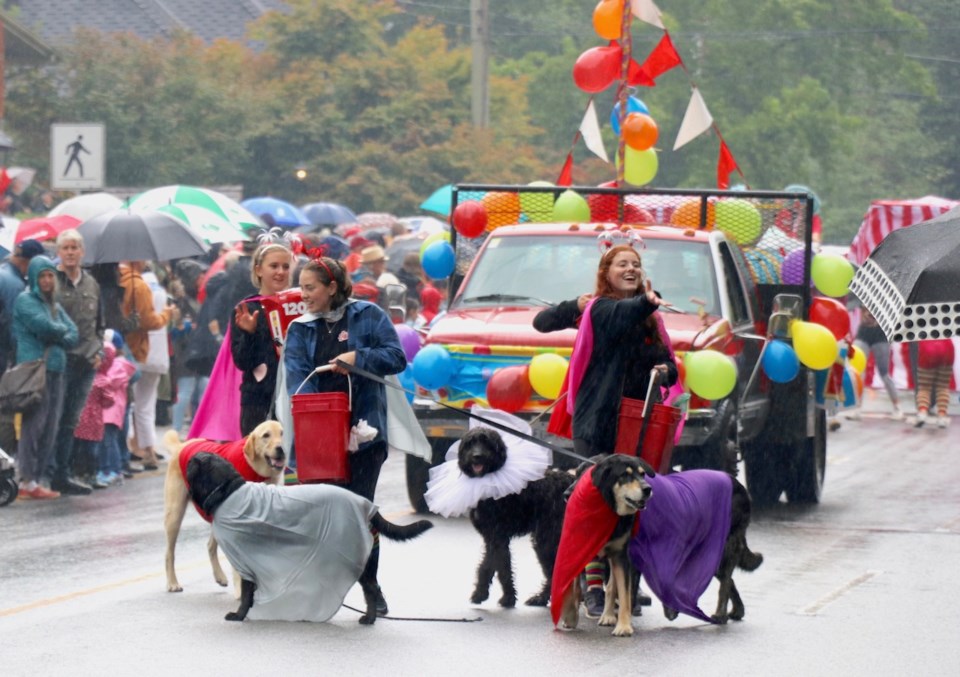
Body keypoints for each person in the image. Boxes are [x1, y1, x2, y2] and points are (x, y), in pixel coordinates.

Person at [533, 242, 677, 619]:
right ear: (606, 272)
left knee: (635, 499)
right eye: (622, 264)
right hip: (596, 418)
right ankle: (594, 586)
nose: (630, 268)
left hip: (636, 421)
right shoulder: (600, 309)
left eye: (636, 264)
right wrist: (576, 307)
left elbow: (668, 360)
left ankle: (626, 582)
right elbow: (545, 321)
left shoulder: (651, 318)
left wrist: (665, 371)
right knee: (596, 502)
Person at [284, 256, 406, 615]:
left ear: (332, 286)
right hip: (319, 439)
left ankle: (371, 585)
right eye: (301, 288)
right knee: (323, 514)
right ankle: (323, 588)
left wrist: (358, 357)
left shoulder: (369, 316)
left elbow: (396, 357)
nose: (303, 295)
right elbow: (298, 381)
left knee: (360, 511)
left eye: (310, 288)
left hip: (365, 434)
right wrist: (317, 427)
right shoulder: (299, 329)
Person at [13, 255, 78, 499]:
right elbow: (45, 327)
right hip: (35, 371)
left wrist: (58, 332)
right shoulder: (25, 300)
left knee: (51, 427)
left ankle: (36, 480)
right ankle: (26, 479)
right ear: (34, 277)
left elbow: (74, 334)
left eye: (51, 275)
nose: (48, 280)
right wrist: (59, 331)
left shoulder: (55, 306)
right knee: (34, 425)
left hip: (57, 371)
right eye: (43, 275)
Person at [49, 230, 104, 496]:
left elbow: (100, 325)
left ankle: (64, 473)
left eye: (74, 247)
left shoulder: (92, 284)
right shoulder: (51, 282)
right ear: (58, 253)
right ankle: (51, 473)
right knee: (54, 418)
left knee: (72, 420)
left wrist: (100, 353)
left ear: (82, 252)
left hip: (86, 363)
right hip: (60, 362)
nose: (70, 252)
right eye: (65, 248)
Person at [231, 242, 294, 435]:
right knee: (257, 462)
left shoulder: (300, 303)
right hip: (257, 399)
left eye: (286, 266)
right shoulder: (247, 308)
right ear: (258, 270)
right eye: (274, 266)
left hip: (294, 395)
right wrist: (250, 334)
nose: (280, 272)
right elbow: (242, 361)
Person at [120, 261, 177, 470]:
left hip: (136, 352)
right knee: (146, 405)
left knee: (130, 404)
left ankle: (133, 446)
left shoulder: (131, 286)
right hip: (156, 355)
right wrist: (167, 314)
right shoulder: (155, 290)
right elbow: (152, 321)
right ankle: (148, 448)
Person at [0, 239, 46, 455]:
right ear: (28, 262)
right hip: (3, 357)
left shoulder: (4, 274)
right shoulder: (15, 285)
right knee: (6, 414)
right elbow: (13, 326)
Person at [848, 307, 903, 421]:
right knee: (858, 372)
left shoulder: (887, 300)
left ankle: (897, 407)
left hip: (881, 336)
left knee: (884, 374)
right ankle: (856, 408)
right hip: (863, 334)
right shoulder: (864, 294)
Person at [914, 339, 954, 429]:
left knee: (924, 387)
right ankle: (942, 417)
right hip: (947, 349)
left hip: (927, 349)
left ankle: (922, 413)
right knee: (943, 387)